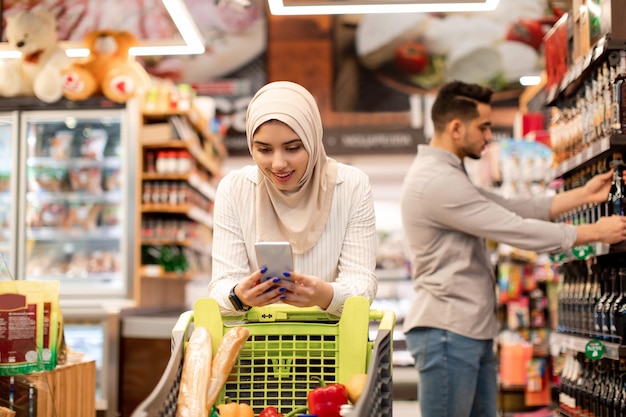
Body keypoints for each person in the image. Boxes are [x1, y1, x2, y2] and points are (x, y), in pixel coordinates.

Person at [399, 80, 626, 417]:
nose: (490, 136)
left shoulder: (448, 175)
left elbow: (511, 207)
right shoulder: (436, 182)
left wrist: (582, 195)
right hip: (448, 331)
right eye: (484, 126)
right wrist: (593, 231)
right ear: (456, 128)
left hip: (464, 330)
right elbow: (514, 228)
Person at [208, 80, 378, 316]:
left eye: (293, 148)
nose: (278, 164)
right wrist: (237, 296)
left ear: (312, 139)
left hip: (332, 344)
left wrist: (326, 295)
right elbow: (220, 287)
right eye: (264, 150)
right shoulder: (234, 189)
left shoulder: (351, 186)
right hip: (255, 344)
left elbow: (363, 283)